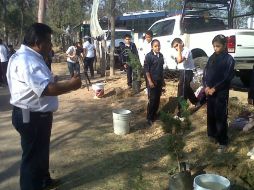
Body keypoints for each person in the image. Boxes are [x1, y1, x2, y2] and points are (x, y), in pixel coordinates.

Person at [6, 23, 81, 190]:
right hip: (31, 116)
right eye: (49, 41)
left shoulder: (27, 57)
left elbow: (42, 83)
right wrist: (72, 85)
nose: (51, 45)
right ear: (38, 42)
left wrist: (59, 81)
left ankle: (43, 180)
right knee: (32, 157)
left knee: (41, 151)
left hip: (37, 115)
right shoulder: (27, 60)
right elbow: (46, 89)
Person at [203, 34, 235, 153]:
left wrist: (215, 88)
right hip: (209, 91)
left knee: (220, 116)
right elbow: (205, 72)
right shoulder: (212, 57)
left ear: (224, 45)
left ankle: (223, 141)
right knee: (210, 113)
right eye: (214, 46)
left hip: (220, 92)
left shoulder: (229, 59)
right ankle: (212, 135)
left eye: (218, 46)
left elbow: (227, 77)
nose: (215, 48)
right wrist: (206, 86)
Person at [171, 38, 198, 117]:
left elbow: (179, 60)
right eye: (174, 47)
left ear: (181, 43)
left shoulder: (186, 50)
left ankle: (181, 113)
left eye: (176, 45)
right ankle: (196, 101)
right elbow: (178, 60)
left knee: (182, 92)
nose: (176, 48)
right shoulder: (180, 52)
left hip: (187, 72)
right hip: (183, 72)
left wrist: (179, 50)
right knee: (186, 88)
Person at [144, 39, 165, 126]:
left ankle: (154, 114)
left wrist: (163, 80)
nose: (158, 47)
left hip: (159, 81)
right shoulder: (149, 56)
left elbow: (161, 69)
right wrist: (150, 81)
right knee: (152, 100)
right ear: (152, 47)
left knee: (157, 99)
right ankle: (149, 117)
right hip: (152, 81)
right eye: (155, 46)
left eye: (159, 45)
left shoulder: (161, 56)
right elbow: (146, 70)